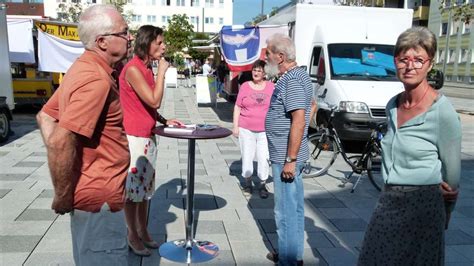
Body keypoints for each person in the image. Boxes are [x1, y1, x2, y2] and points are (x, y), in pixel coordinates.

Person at [36, 4, 132, 265]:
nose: (130, 37)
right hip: (99, 201)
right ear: (102, 41)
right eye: (124, 32)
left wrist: (75, 166)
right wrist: (63, 193)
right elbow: (59, 141)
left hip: (91, 197)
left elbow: (45, 116)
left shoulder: (82, 68)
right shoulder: (96, 80)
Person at [358, 26, 462, 265]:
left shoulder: (441, 111)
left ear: (429, 64)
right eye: (403, 59)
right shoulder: (393, 106)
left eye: (418, 59)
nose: (410, 65)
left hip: (423, 204)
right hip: (389, 199)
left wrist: (445, 214)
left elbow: (452, 176)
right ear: (395, 62)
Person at [119, 25, 183, 256]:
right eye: (160, 42)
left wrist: (165, 121)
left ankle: (143, 230)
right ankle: (132, 235)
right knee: (133, 191)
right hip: (135, 138)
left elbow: (148, 106)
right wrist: (163, 73)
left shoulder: (145, 68)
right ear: (147, 44)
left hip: (147, 136)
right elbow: (154, 101)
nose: (164, 46)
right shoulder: (134, 69)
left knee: (145, 190)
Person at [264, 33, 312, 265]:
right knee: (294, 208)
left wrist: (291, 159)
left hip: (287, 157)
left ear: (280, 56)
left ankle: (288, 260)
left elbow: (299, 119)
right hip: (289, 155)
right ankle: (291, 254)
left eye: (268, 54)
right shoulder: (296, 75)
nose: (266, 59)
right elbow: (310, 107)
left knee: (284, 211)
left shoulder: (292, 80)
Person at [232, 60, 275, 199]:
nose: (256, 73)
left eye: (259, 70)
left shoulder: (271, 87)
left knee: (264, 157)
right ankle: (248, 183)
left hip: (265, 130)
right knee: (247, 156)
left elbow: (276, 108)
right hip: (246, 128)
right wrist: (235, 126)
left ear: (264, 73)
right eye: (254, 70)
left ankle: (262, 184)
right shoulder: (245, 86)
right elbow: (237, 107)